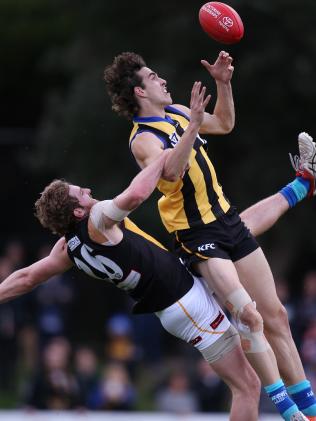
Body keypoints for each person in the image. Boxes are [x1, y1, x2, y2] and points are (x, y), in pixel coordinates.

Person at [0, 91, 262, 420]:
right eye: (81, 192)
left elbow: (27, 277)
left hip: (178, 295)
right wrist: (162, 160)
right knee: (247, 386)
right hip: (184, 301)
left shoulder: (69, 248)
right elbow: (137, 194)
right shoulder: (97, 221)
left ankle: (296, 189)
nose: (88, 191)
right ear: (78, 210)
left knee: (237, 229)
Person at [104, 50, 316, 421]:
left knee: (276, 315)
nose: (163, 80)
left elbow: (224, 123)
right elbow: (171, 172)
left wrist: (223, 82)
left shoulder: (179, 113)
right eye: (153, 77)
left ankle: (311, 412)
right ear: (138, 92)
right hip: (196, 236)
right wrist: (191, 127)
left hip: (226, 221)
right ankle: (286, 410)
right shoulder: (143, 140)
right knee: (248, 314)